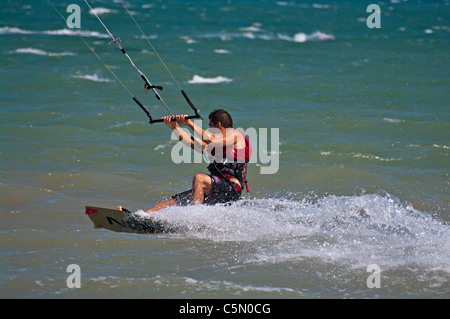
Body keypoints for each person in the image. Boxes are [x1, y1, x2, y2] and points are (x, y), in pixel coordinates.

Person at [119, 109, 252, 213]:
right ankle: (140, 217)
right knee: (174, 201)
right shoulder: (215, 147)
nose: (208, 128)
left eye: (210, 125)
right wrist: (174, 127)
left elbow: (210, 138)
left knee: (199, 179)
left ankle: (194, 218)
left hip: (231, 188)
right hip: (216, 187)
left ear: (218, 125)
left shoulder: (236, 135)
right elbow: (191, 142)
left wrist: (189, 123)